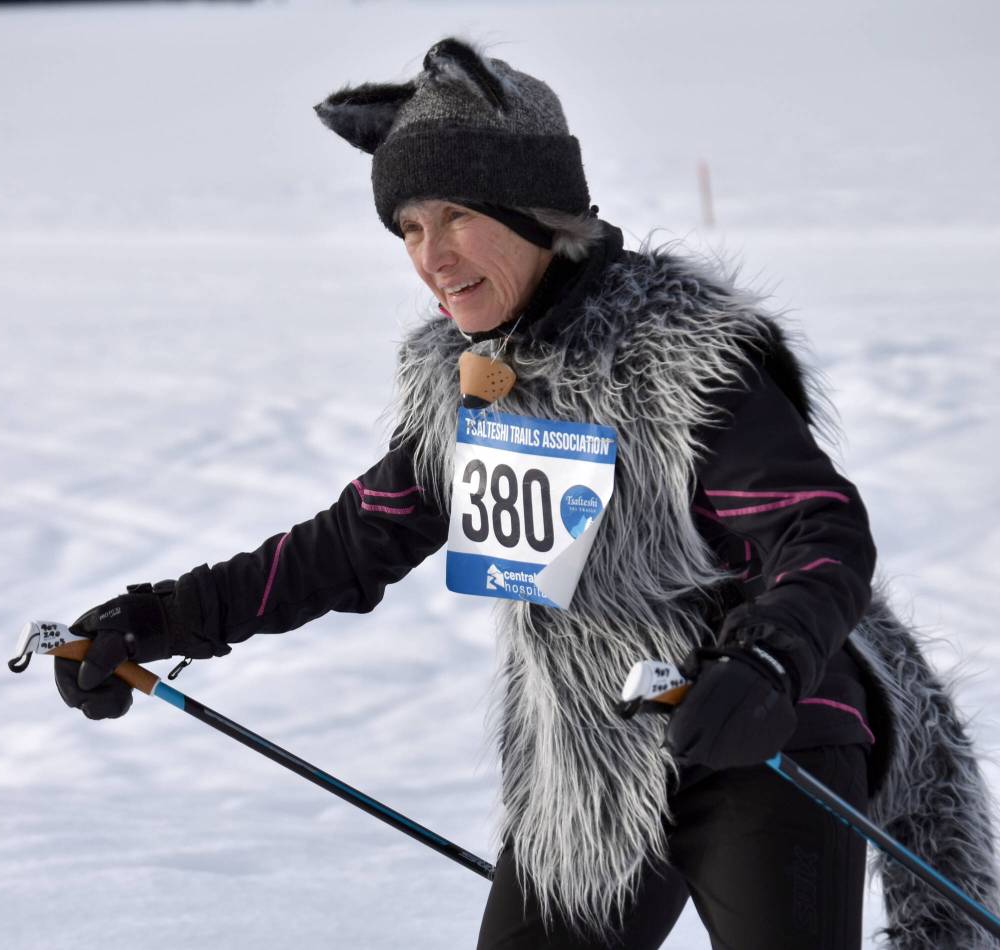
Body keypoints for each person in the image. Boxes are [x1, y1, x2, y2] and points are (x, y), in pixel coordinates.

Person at [55, 38, 997, 950]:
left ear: (541, 214)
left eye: (457, 217)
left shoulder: (678, 361)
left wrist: (768, 662)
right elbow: (352, 543)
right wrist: (161, 619)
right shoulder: (463, 387)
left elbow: (818, 533)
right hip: (589, 761)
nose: (431, 256)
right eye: (409, 228)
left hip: (766, 733)